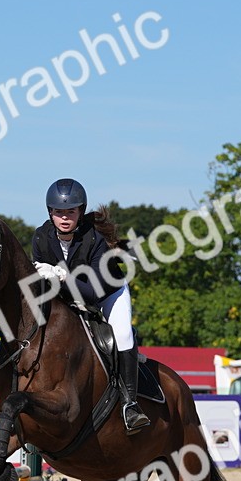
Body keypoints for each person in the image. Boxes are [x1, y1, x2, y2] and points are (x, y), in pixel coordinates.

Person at [32, 178, 149, 433]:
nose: (64, 218)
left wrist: (61, 277)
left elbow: (93, 295)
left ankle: (130, 405)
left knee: (121, 333)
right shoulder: (41, 238)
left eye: (70, 212)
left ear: (80, 212)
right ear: (50, 212)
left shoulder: (94, 240)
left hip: (108, 293)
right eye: (59, 212)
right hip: (66, 296)